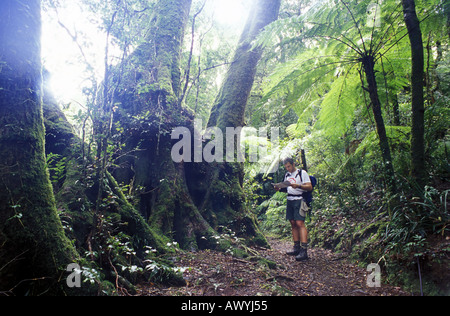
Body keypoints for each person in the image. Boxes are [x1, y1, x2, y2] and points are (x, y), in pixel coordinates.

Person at [274, 158, 313, 261]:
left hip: (300, 199)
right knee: (293, 223)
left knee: (300, 223)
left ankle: (304, 251)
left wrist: (298, 186)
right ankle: (296, 248)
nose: (287, 169)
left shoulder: (301, 173)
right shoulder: (287, 175)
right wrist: (279, 188)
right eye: (286, 167)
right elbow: (287, 188)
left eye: (289, 166)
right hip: (290, 199)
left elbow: (309, 187)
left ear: (293, 164)